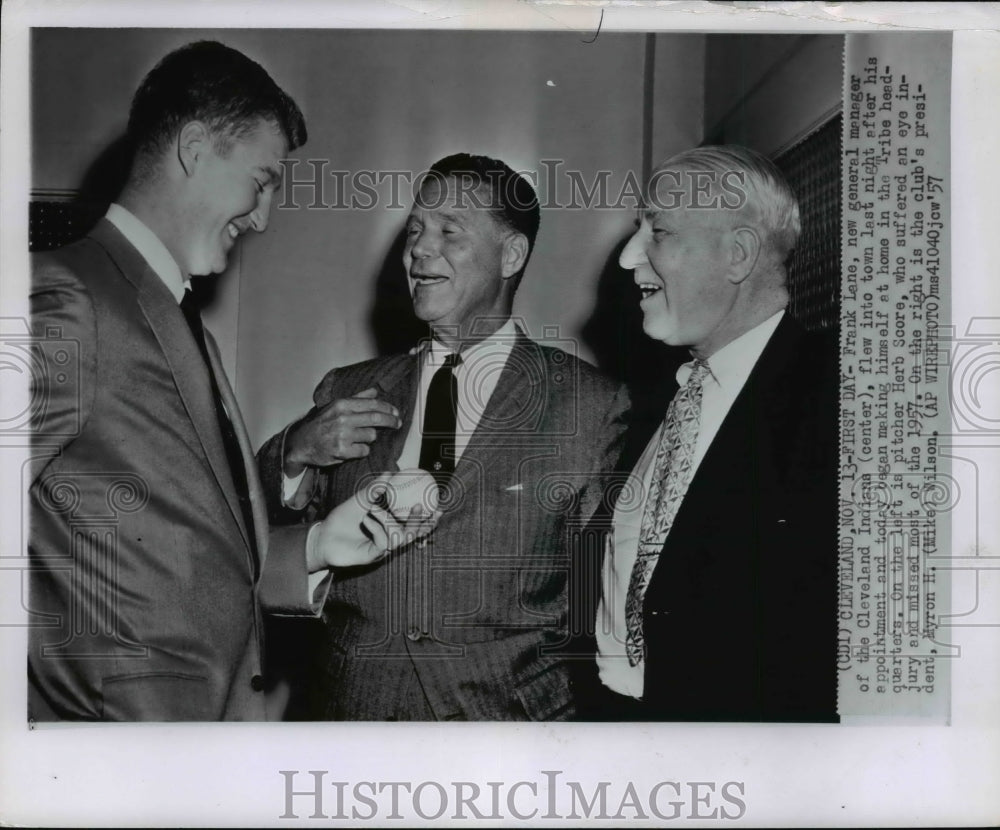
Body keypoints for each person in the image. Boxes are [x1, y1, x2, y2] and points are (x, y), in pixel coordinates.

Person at [28, 41, 415, 722]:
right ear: (196, 148)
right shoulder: (71, 294)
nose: (263, 217)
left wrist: (318, 546)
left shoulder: (176, 318)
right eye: (261, 182)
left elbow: (191, 552)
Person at [257, 153, 629, 720]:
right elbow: (236, 539)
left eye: (449, 232)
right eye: (414, 232)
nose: (419, 250)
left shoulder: (591, 405)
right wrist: (295, 452)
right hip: (353, 724)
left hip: (504, 737)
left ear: (511, 255)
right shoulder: (348, 389)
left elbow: (609, 601)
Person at [577, 144, 839, 722]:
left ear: (738, 254)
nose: (626, 259)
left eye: (659, 232)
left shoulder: (844, 399)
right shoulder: (650, 404)